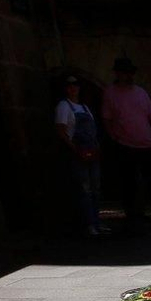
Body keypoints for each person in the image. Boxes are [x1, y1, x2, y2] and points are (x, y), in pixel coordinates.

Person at [101, 57, 151, 231]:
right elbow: (107, 119)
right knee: (128, 185)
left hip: (147, 144)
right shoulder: (110, 93)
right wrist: (115, 138)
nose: (128, 76)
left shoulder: (141, 92)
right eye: (124, 73)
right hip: (125, 145)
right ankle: (132, 221)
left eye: (129, 73)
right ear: (118, 74)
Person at [54, 75, 102, 237]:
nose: (73, 88)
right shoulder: (63, 106)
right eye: (69, 85)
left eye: (75, 85)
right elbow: (61, 130)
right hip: (78, 152)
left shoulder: (85, 107)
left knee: (95, 187)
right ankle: (88, 224)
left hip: (92, 151)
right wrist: (74, 148)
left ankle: (97, 222)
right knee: (84, 189)